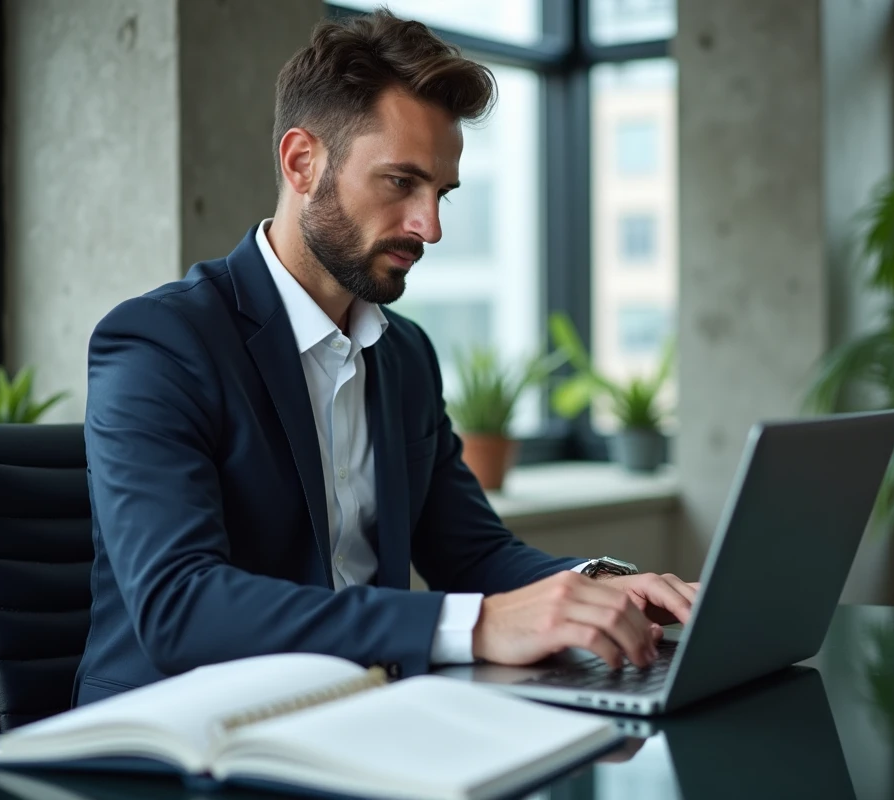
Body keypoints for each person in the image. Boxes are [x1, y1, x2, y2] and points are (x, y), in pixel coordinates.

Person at [73, 8, 696, 707]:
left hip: (365, 716)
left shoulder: (404, 355)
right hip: (182, 741)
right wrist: (478, 623)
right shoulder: (161, 343)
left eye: (441, 193)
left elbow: (472, 553)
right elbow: (180, 606)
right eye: (401, 183)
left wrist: (600, 586)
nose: (429, 226)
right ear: (302, 162)